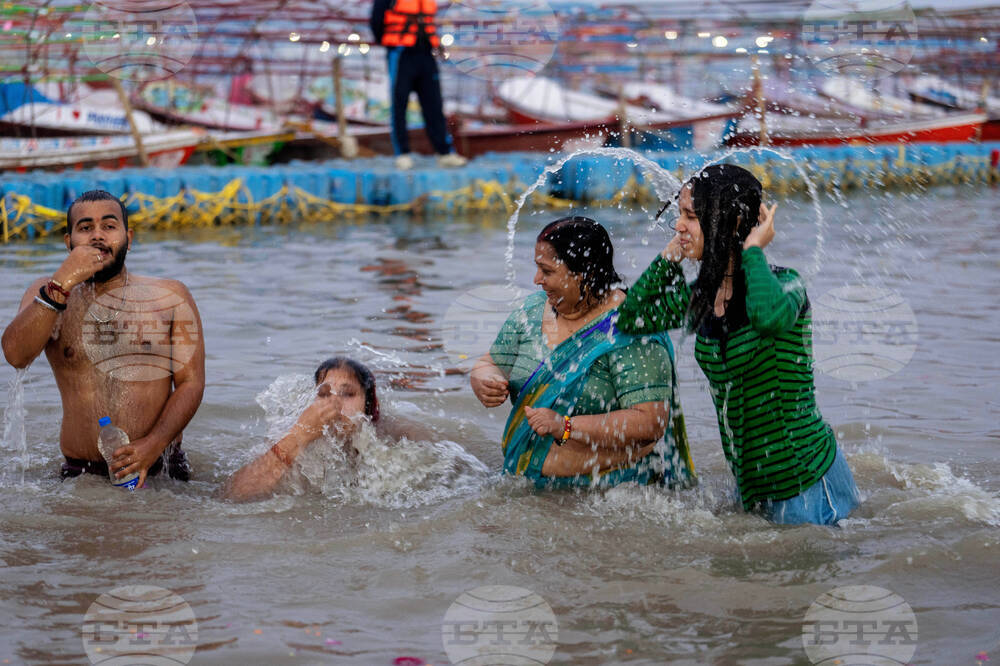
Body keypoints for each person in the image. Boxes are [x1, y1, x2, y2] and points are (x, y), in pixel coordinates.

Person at [616, 163, 860, 525]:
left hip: (808, 486)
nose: (680, 225)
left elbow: (767, 317)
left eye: (692, 217)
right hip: (751, 488)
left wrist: (753, 249)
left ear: (731, 224)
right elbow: (631, 316)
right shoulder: (700, 299)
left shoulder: (787, 286)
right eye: (679, 216)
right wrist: (672, 254)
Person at [470, 216, 695, 488]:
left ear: (584, 273)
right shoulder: (531, 312)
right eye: (537, 268)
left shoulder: (631, 331)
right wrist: (484, 380)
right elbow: (491, 362)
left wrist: (566, 427)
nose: (536, 279)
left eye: (547, 271)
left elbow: (650, 422)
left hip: (608, 500)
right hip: (523, 488)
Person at [1, 190, 204, 487]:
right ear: (69, 242)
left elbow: (191, 382)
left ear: (129, 238)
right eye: (85, 228)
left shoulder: (169, 296)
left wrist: (154, 444)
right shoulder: (45, 295)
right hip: (81, 475)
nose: (98, 236)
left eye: (109, 226)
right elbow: (16, 355)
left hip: (160, 467)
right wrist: (61, 284)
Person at [224, 357, 434, 502]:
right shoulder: (294, 434)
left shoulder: (395, 434)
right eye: (324, 394)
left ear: (368, 405)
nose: (333, 404)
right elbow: (234, 496)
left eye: (348, 394)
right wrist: (299, 436)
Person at [370, 0, 468, 170]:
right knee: (399, 105)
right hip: (401, 53)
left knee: (434, 106)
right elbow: (376, 22)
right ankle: (402, 154)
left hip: (426, 55)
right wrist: (391, 43)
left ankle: (444, 153)